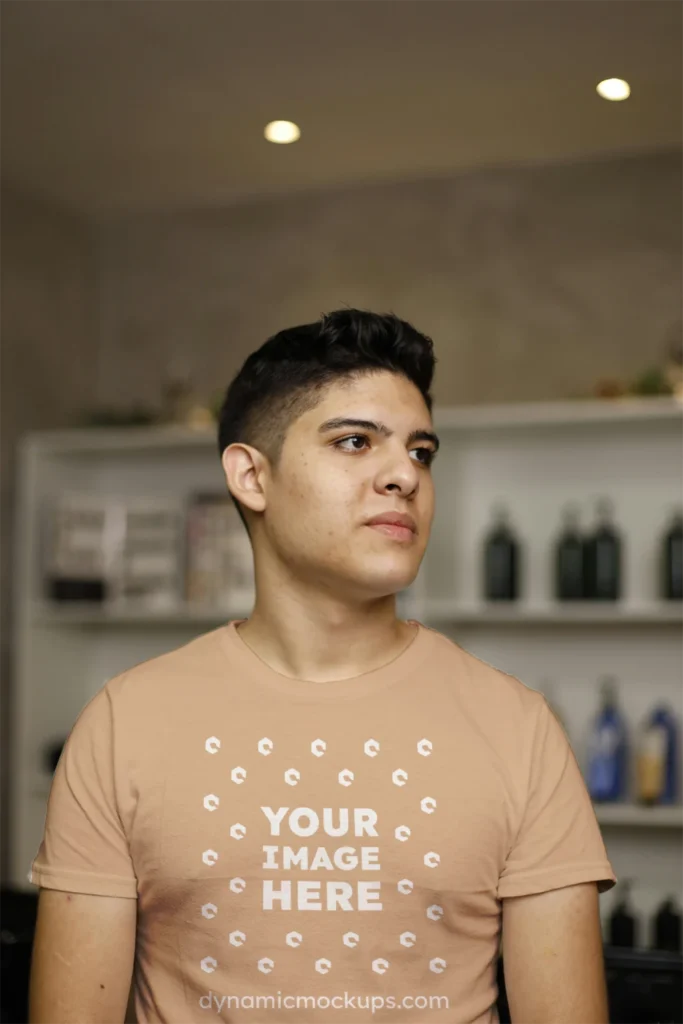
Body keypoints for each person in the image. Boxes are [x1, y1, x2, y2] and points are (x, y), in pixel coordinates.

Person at [27, 309, 615, 1024]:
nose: (403, 474)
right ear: (251, 475)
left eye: (422, 452)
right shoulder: (123, 722)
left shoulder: (517, 726)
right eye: (355, 441)